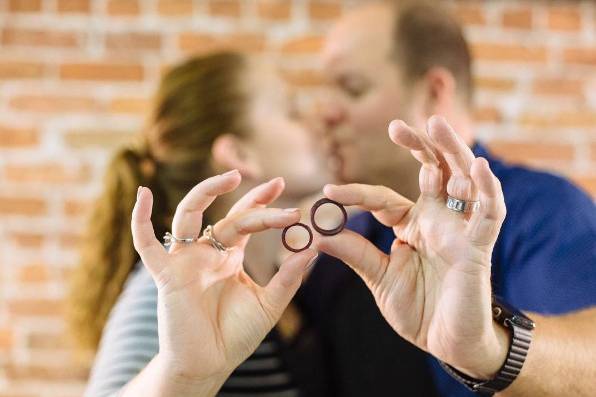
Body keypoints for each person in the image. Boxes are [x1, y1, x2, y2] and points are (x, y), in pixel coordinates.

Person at [309, 1, 596, 395]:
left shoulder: (547, 211)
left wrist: (489, 348)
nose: (324, 112)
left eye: (352, 87)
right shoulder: (344, 251)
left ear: (433, 91)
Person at [68, 51, 330, 397]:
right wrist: (183, 375)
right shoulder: (177, 283)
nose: (320, 121)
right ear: (240, 155)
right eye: (292, 112)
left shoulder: (264, 280)